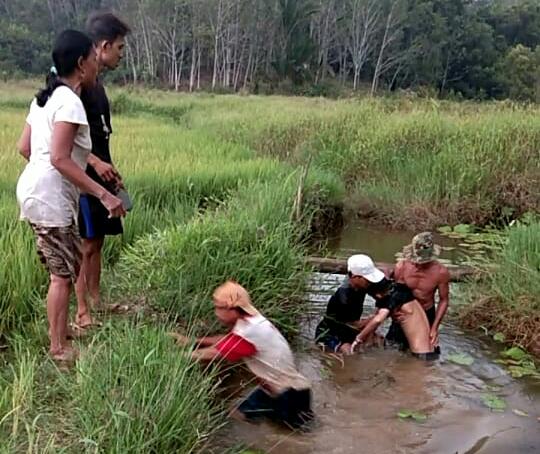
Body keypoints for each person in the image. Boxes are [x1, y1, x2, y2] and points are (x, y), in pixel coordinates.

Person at [16, 30, 125, 362]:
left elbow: (24, 147)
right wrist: (104, 195)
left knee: (61, 267)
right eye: (93, 59)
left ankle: (62, 332)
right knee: (62, 275)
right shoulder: (70, 102)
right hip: (50, 198)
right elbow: (60, 158)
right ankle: (58, 347)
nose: (96, 65)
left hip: (35, 191)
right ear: (81, 63)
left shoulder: (44, 99)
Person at [170, 281, 313, 430]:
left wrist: (175, 357)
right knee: (237, 415)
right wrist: (191, 341)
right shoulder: (252, 321)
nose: (216, 312)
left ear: (232, 309)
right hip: (276, 390)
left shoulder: (249, 332)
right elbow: (227, 340)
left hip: (289, 395)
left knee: (292, 441)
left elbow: (215, 353)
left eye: (219, 308)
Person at [75, 12, 131, 328]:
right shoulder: (77, 85)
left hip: (101, 175)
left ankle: (95, 300)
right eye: (120, 48)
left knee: (98, 242)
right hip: (84, 179)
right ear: (104, 46)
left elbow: (99, 134)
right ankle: (82, 312)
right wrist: (94, 163)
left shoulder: (97, 85)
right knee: (87, 243)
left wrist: (110, 168)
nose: (121, 55)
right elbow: (67, 141)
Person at [387, 232, 450, 353]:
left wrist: (435, 327)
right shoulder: (402, 267)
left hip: (426, 312)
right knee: (391, 348)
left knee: (428, 356)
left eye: (423, 262)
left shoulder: (441, 272)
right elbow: (394, 293)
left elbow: (444, 300)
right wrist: (393, 314)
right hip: (404, 312)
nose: (419, 264)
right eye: (416, 261)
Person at [352, 278, 438, 361]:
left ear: (378, 295)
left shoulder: (392, 298)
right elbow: (376, 317)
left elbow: (378, 320)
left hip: (421, 356)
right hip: (430, 350)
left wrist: (358, 339)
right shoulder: (401, 290)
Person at [315, 254, 385, 354]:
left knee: (379, 340)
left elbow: (381, 296)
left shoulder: (362, 285)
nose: (370, 282)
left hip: (348, 329)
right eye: (367, 279)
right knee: (348, 353)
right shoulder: (343, 298)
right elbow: (355, 325)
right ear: (355, 277)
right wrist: (375, 318)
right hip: (329, 333)